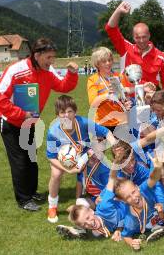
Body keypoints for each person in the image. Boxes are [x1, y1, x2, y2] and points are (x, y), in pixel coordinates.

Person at [0, 38, 78, 211]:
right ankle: (24, 199)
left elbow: (63, 86)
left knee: (31, 158)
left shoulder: (48, 70)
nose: (51, 61)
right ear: (37, 55)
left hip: (30, 121)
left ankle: (31, 192)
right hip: (10, 122)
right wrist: (21, 114)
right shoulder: (16, 70)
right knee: (20, 161)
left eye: (53, 57)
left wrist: (71, 73)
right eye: (48, 57)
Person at [46, 95, 117, 223]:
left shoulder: (83, 122)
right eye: (62, 112)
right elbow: (51, 157)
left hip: (84, 154)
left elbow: (106, 132)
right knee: (56, 174)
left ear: (75, 112)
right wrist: (67, 170)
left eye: (69, 111)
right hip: (62, 158)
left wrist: (114, 145)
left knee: (96, 170)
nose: (66, 115)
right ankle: (52, 206)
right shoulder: (52, 132)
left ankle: (89, 198)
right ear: (57, 115)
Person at [105, 1, 164, 92]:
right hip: (129, 101)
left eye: (144, 37)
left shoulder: (161, 57)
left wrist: (160, 101)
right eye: (137, 38)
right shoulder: (126, 49)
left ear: (149, 35)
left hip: (151, 101)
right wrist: (118, 11)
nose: (141, 41)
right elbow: (110, 29)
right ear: (133, 37)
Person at [87, 47, 133, 131]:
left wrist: (126, 104)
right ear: (97, 64)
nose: (108, 63)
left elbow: (125, 97)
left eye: (110, 60)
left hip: (122, 122)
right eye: (104, 61)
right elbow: (93, 104)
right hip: (103, 123)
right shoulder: (93, 80)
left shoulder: (119, 76)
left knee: (125, 144)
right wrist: (108, 95)